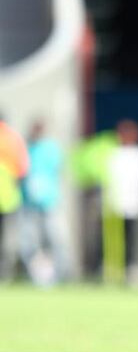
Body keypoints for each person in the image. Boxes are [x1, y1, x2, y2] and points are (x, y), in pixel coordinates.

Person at [20, 119, 70, 285]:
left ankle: (61, 274)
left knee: (56, 239)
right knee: (30, 242)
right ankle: (36, 275)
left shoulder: (51, 149)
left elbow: (57, 171)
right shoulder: (26, 149)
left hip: (49, 203)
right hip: (29, 204)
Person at [107, 119, 138, 279]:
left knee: (132, 239)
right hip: (115, 204)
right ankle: (113, 269)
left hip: (134, 203)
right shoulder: (114, 154)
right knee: (114, 240)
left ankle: (131, 268)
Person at [0, 113, 29, 281]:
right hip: (9, 199)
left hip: (7, 198)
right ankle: (5, 274)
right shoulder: (14, 138)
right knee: (8, 240)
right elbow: (23, 169)